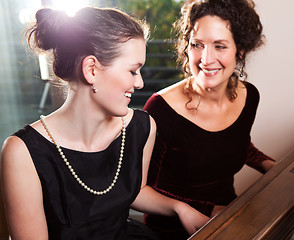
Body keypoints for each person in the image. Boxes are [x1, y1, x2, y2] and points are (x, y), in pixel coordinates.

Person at [0, 7, 210, 240]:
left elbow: (135, 191)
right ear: (91, 70)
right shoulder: (22, 152)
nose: (139, 83)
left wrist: (180, 208)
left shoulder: (142, 127)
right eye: (133, 71)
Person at [143, 0, 276, 239]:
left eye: (219, 46)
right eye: (197, 44)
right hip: (171, 231)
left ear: (241, 49)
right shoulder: (160, 109)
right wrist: (208, 210)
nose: (206, 58)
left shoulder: (249, 96)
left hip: (228, 218)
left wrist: (269, 165)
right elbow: (142, 189)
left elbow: (231, 144)